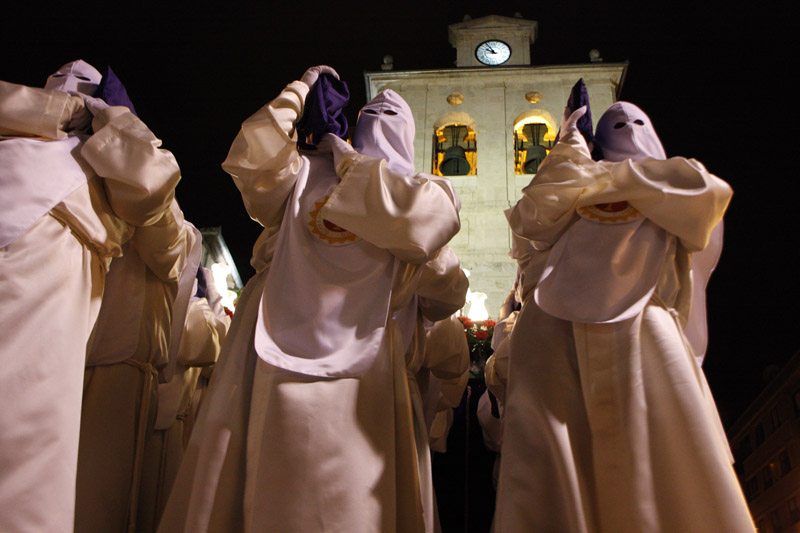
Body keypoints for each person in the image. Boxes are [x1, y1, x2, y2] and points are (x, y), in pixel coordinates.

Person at [158, 66, 467, 532]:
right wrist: (298, 92)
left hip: (368, 363)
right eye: (372, 115)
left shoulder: (421, 193)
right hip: (269, 349)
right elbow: (251, 156)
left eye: (391, 117)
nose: (380, 123)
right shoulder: (301, 172)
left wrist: (351, 164)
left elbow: (438, 268)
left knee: (348, 487)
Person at [493, 102, 755, 532]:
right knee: (559, 475)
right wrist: (568, 151)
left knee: (662, 462)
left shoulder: (681, 185)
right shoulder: (569, 189)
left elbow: (699, 247)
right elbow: (531, 243)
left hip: (645, 333)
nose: (629, 132)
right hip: (556, 339)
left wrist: (599, 176)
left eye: (638, 123)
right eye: (616, 125)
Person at [0, 60, 183, 532]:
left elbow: (158, 213)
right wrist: (81, 114)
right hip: (45, 262)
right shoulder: (42, 123)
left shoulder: (94, 145)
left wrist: (106, 122)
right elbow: (151, 184)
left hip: (57, 270)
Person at [75, 201, 201, 533]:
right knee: (97, 495)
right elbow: (167, 250)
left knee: (120, 496)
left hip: (131, 368)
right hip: (111, 361)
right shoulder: (139, 199)